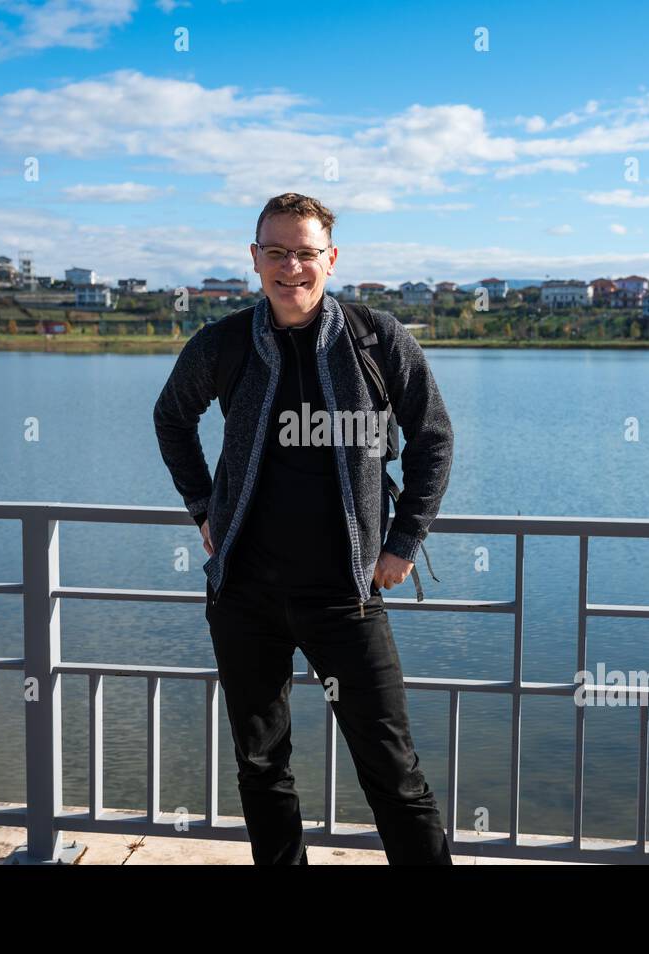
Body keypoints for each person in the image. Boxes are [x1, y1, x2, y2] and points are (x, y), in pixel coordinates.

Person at [153, 192, 454, 864]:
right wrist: (203, 508)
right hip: (245, 595)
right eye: (277, 252)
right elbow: (171, 417)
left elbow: (433, 436)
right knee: (261, 767)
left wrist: (404, 542)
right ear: (255, 260)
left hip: (346, 597)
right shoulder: (226, 342)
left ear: (332, 258)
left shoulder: (377, 338)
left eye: (306, 252)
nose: (292, 266)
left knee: (393, 773)